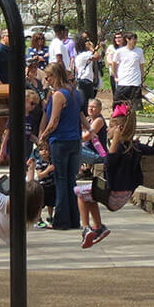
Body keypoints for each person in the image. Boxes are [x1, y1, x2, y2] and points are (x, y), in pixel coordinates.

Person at [74, 104, 154, 247]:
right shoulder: (135, 147)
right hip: (126, 194)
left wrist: (115, 141)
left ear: (119, 129)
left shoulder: (118, 148)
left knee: (79, 193)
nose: (107, 130)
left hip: (113, 196)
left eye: (110, 127)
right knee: (89, 196)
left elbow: (108, 164)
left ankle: (86, 228)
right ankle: (99, 228)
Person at [36, 61, 86, 230]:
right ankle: (74, 218)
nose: (47, 80)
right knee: (71, 180)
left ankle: (62, 221)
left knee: (61, 181)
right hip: (74, 141)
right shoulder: (76, 93)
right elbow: (80, 117)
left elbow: (54, 121)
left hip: (60, 141)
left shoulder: (59, 95)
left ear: (55, 76)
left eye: (48, 77)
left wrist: (42, 137)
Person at [111, 32, 146, 110]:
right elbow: (114, 64)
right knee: (118, 103)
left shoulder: (139, 51)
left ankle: (131, 120)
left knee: (134, 107)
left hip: (135, 82)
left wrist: (142, 81)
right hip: (123, 81)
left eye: (136, 39)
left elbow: (141, 66)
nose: (135, 41)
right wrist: (115, 76)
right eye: (133, 39)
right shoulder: (120, 51)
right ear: (127, 40)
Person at [29, 143, 56, 227]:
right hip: (42, 186)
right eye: (41, 150)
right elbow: (39, 175)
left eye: (46, 150)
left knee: (51, 203)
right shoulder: (39, 162)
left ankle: (50, 217)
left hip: (51, 185)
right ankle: (38, 219)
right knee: (40, 204)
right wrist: (48, 170)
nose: (44, 152)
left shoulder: (52, 161)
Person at [73, 36, 101, 110]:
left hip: (83, 80)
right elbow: (97, 56)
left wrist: (95, 48)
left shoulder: (80, 55)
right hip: (85, 81)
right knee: (87, 103)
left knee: (86, 102)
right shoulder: (84, 55)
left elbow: (93, 53)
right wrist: (91, 47)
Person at [104, 31, 124, 97]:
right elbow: (109, 61)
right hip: (114, 74)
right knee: (116, 93)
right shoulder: (111, 48)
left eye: (119, 37)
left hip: (124, 74)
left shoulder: (126, 48)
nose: (117, 39)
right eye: (116, 38)